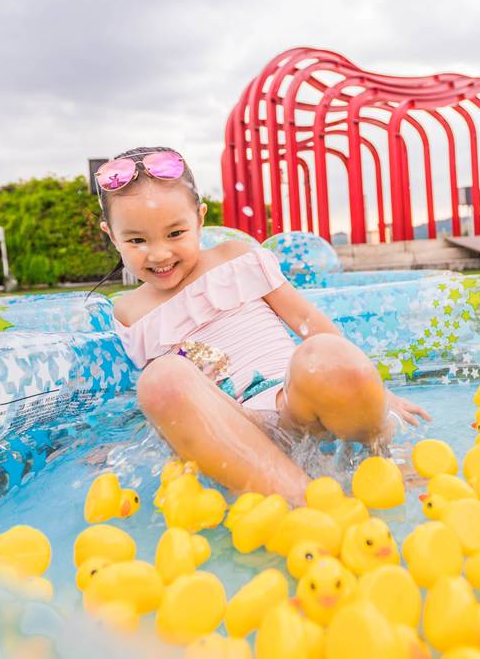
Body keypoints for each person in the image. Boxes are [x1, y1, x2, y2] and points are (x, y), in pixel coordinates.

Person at [97, 147, 430, 503]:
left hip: (294, 401)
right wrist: (121, 442)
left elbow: (307, 321)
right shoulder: (128, 313)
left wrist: (376, 391)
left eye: (176, 233)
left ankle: (381, 459)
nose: (159, 254)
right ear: (112, 235)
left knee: (327, 354)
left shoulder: (235, 258)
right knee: (161, 380)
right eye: (136, 240)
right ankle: (303, 501)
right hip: (233, 429)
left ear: (199, 218)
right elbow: (161, 405)